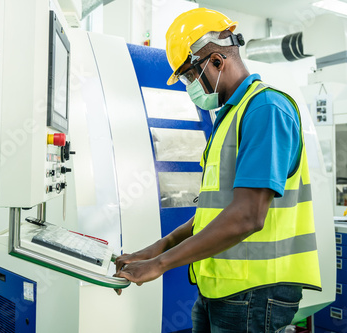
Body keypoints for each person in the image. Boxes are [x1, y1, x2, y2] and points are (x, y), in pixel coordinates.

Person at [115, 8, 322, 333]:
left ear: (215, 61)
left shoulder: (265, 110)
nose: (188, 86)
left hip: (256, 293)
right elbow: (214, 210)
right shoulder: (231, 116)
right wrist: (161, 245)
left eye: (187, 75)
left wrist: (160, 264)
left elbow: (247, 216)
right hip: (223, 289)